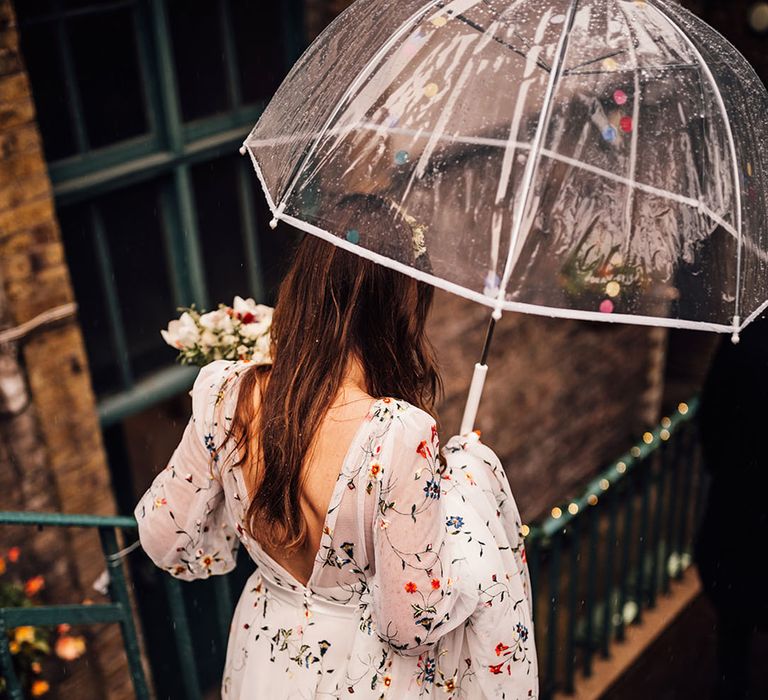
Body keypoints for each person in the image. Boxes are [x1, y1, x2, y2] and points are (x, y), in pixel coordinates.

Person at [136, 197, 537, 698]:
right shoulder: (399, 435)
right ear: (397, 311)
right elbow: (409, 626)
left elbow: (163, 537)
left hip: (263, 657)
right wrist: (462, 489)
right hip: (360, 676)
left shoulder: (224, 392)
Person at [696, 315, 768, 699]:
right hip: (742, 507)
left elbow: (711, 417)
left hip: (739, 512)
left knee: (734, 629)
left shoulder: (750, 337)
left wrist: (732, 470)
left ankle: (731, 685)